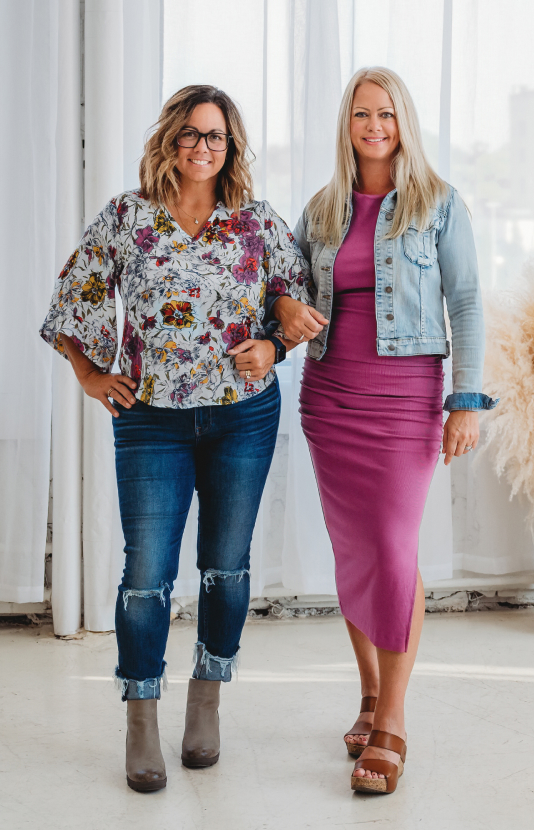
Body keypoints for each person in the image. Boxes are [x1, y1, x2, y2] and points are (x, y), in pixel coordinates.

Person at [40, 85, 310, 792]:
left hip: (242, 415)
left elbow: (297, 298)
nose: (201, 146)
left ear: (232, 146)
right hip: (152, 418)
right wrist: (90, 374)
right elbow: (76, 295)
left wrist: (275, 346)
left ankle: (207, 698)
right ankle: (139, 713)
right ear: (170, 139)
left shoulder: (255, 221)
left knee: (225, 564)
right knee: (146, 574)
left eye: (215, 135)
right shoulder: (129, 217)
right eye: (189, 133)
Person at [270, 66, 498, 795]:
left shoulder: (439, 204)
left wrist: (465, 401)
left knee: (395, 549)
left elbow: (465, 301)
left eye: (387, 115)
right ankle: (367, 695)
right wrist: (283, 311)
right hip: (331, 394)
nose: (374, 127)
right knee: (355, 553)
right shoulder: (323, 209)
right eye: (362, 115)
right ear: (347, 124)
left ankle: (393, 720)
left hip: (405, 398)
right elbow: (288, 289)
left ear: (405, 124)